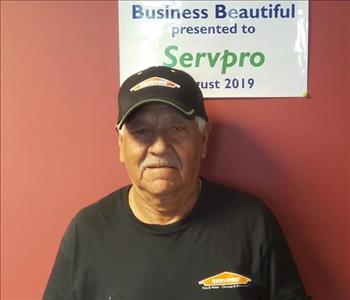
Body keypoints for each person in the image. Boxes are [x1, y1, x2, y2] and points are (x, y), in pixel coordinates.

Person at [43, 66, 310, 300]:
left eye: (176, 128)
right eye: (142, 131)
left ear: (204, 138)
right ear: (121, 145)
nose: (159, 147)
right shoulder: (87, 231)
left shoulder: (252, 223)